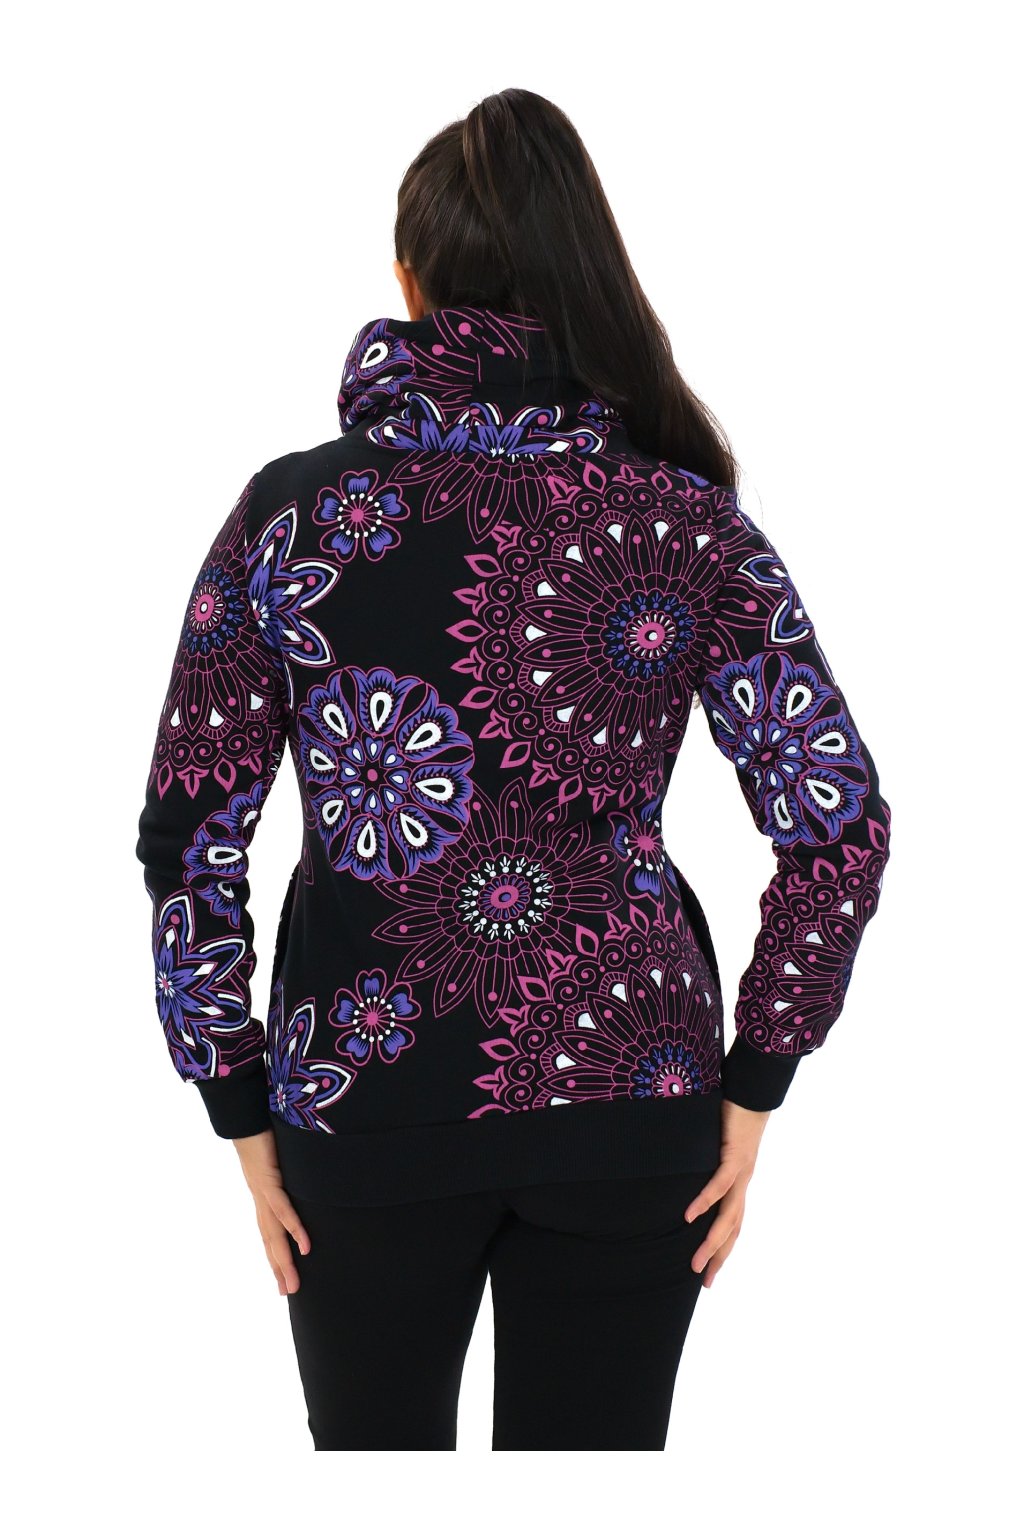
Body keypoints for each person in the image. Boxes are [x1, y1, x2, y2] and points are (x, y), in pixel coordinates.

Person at [135, 88, 893, 1452]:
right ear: (584, 274)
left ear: (409, 283)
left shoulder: (292, 513)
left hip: (362, 1098)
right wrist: (755, 1082)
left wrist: (237, 1102)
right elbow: (835, 829)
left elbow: (191, 831)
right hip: (634, 1100)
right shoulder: (682, 517)